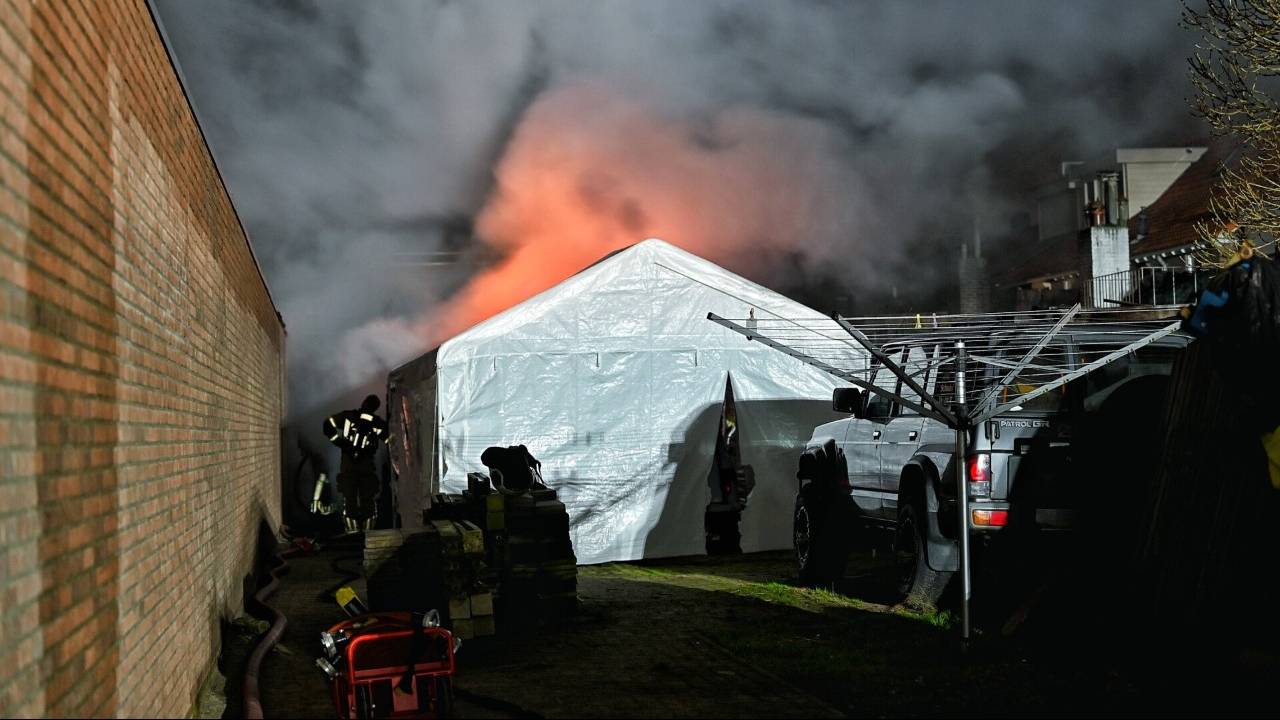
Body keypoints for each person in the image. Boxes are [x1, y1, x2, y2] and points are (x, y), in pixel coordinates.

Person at [323, 394, 388, 532]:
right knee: (368, 500)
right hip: (366, 466)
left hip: (348, 465)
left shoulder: (348, 416)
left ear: (363, 402)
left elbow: (327, 424)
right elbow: (391, 439)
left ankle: (352, 532)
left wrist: (340, 443)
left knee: (349, 499)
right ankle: (368, 534)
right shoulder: (376, 422)